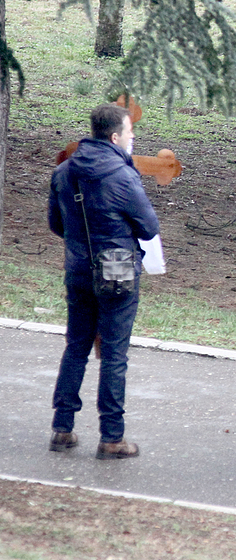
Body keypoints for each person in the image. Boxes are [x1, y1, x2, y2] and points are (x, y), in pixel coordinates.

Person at [48, 103, 160, 459]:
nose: (133, 137)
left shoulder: (65, 172)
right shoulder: (123, 176)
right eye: (130, 132)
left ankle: (62, 428)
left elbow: (55, 224)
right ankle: (112, 436)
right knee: (113, 353)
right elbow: (149, 227)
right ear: (115, 136)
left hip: (78, 268)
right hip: (118, 272)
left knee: (76, 345)